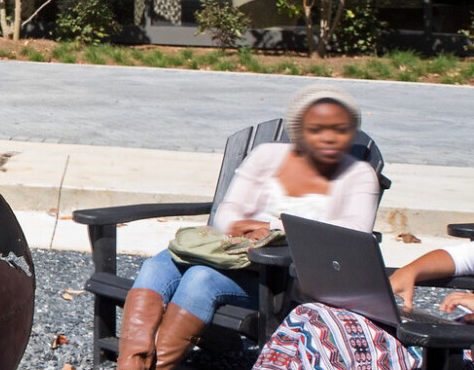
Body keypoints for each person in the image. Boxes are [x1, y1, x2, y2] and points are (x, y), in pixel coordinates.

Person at [116, 87, 381, 370]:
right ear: (299, 130)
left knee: (200, 278)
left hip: (287, 280)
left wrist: (272, 227)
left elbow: (355, 231)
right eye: (317, 129)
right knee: (157, 266)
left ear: (351, 132)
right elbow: (226, 215)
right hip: (232, 257)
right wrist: (257, 228)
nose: (329, 137)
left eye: (339, 130)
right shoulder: (267, 155)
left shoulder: (359, 175)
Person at [255, 235, 474, 370]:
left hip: (458, 347)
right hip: (450, 333)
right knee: (315, 316)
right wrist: (409, 272)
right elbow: (461, 257)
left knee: (338, 338)